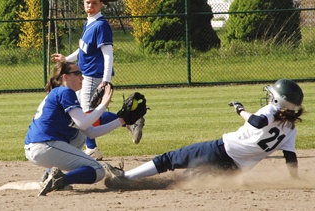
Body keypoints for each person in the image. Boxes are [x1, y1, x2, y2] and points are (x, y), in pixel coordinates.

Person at [103, 79, 304, 187]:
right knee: (192, 176)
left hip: (220, 151)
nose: (269, 97)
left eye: (272, 95)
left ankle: (126, 178)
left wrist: (240, 110)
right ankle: (150, 183)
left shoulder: (270, 111)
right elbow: (290, 158)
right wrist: (294, 179)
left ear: (279, 100)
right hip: (235, 169)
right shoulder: (291, 129)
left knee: (169, 159)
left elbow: (258, 122)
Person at [51, 0, 144, 161]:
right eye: (87, 2)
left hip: (94, 75)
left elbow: (108, 54)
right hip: (83, 75)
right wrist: (66, 60)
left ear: (101, 4)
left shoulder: (101, 25)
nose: (90, 6)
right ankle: (130, 120)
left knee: (85, 114)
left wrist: (106, 81)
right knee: (81, 112)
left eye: (94, 3)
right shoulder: (89, 22)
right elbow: (82, 50)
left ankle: (93, 147)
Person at [24, 61, 133, 196]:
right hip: (44, 146)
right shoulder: (65, 91)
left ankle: (49, 175)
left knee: (80, 135)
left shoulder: (61, 93)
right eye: (77, 73)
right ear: (65, 77)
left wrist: (121, 121)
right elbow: (83, 123)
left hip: (40, 147)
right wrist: (104, 104)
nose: (82, 77)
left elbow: (90, 132)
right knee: (98, 170)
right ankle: (60, 179)